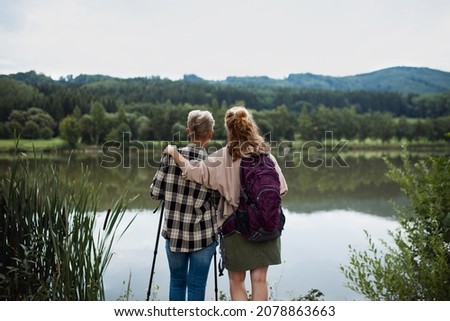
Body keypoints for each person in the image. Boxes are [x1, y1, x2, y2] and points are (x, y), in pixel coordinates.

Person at [165, 106, 288, 301]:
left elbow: (191, 172)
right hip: (266, 225)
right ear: (250, 126)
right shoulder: (267, 156)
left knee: (237, 280)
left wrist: (173, 152)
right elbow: (281, 189)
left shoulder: (222, 157)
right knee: (259, 280)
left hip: (236, 228)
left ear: (229, 129)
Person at [150, 110, 220, 301]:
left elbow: (155, 193)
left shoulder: (170, 157)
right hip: (204, 237)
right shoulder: (214, 163)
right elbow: (219, 202)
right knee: (197, 287)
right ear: (211, 134)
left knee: (177, 281)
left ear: (187, 131)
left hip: (174, 234)